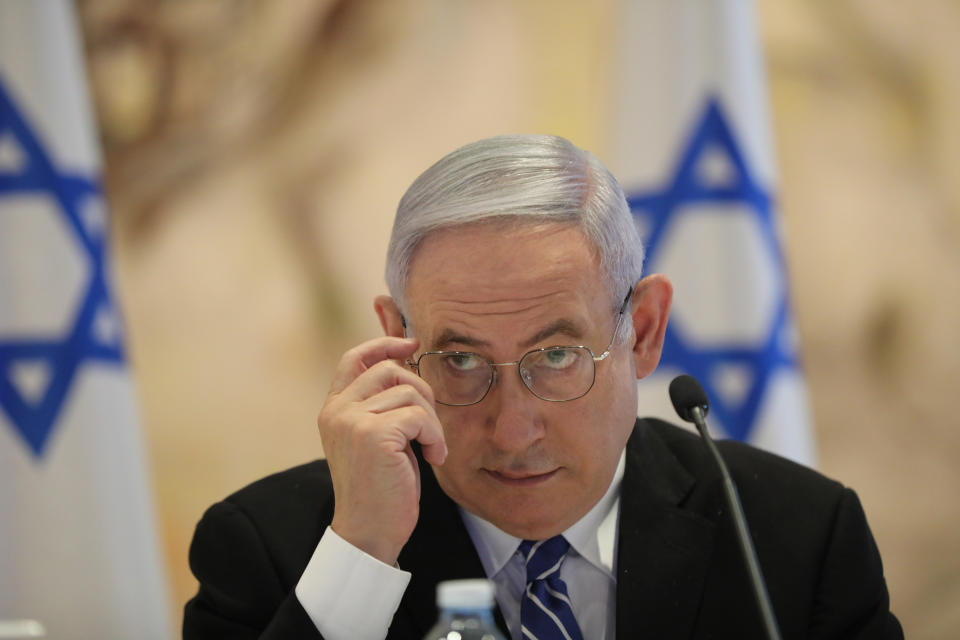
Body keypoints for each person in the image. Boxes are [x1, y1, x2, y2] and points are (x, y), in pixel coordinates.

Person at [183, 135, 902, 639]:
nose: (512, 430)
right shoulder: (274, 549)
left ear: (644, 331)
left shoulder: (796, 540)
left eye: (556, 355)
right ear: (396, 344)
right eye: (461, 361)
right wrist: (364, 554)